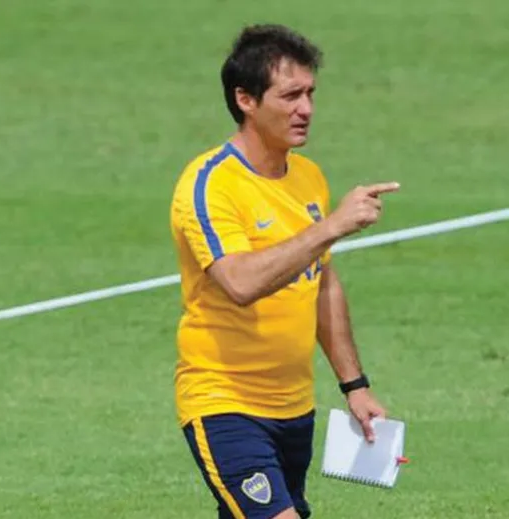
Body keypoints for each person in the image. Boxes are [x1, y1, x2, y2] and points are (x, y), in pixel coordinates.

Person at [169, 23, 399, 519]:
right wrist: (331, 227)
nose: (306, 109)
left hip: (295, 408)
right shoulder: (210, 185)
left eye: (311, 93)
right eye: (291, 95)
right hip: (224, 402)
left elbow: (323, 283)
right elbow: (240, 283)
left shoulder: (308, 176)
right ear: (246, 100)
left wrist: (355, 385)